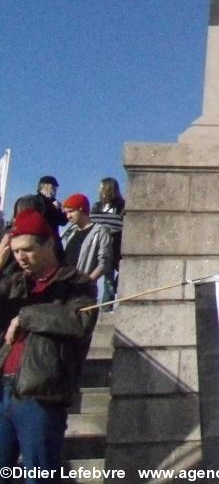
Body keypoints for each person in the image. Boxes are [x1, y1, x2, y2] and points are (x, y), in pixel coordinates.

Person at [0, 210, 96, 477]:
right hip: (4, 387)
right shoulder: (16, 282)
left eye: (28, 249)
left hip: (42, 393)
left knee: (40, 474)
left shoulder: (76, 282)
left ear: (49, 243)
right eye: (16, 251)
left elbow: (78, 321)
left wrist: (24, 316)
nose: (21, 257)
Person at [60, 194, 115, 308]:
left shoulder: (100, 231)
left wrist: (87, 281)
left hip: (83, 293)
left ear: (81, 209)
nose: (68, 216)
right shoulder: (70, 233)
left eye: (71, 211)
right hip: (65, 289)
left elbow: (104, 263)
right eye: (66, 213)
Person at [90, 178, 125, 297]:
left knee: (119, 273)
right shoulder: (97, 206)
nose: (99, 189)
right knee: (105, 276)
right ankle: (103, 304)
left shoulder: (121, 205)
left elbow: (122, 223)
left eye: (101, 187)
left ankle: (108, 302)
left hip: (116, 245)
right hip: (101, 245)